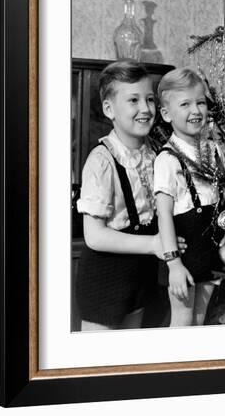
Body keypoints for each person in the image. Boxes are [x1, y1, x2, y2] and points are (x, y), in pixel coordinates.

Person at [75, 59, 185, 331]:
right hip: (105, 279)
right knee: (101, 365)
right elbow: (94, 235)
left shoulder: (156, 154)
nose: (146, 109)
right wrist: (154, 245)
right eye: (133, 100)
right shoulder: (101, 160)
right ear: (109, 109)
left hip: (140, 276)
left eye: (149, 99)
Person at [154, 68, 225, 327]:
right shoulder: (167, 160)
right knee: (182, 321)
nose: (196, 110)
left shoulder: (214, 151)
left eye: (200, 102)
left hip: (211, 248)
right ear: (167, 114)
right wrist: (174, 265)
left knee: (200, 320)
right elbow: (164, 216)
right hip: (184, 253)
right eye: (185, 104)